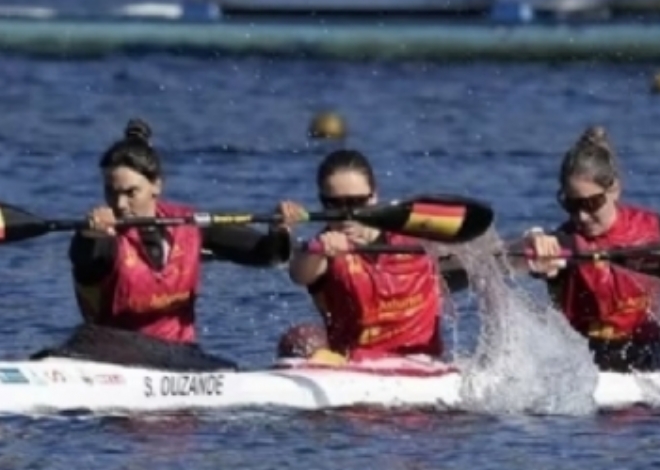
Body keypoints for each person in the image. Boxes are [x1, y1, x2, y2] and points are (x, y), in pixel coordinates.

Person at [60, 119, 291, 367]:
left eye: (130, 193)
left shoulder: (190, 224)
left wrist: (279, 231)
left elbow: (269, 255)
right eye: (111, 192)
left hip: (179, 358)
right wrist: (88, 236)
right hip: (111, 358)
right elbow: (84, 258)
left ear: (156, 186)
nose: (119, 204)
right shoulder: (105, 238)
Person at [522, 125, 660, 372]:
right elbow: (518, 253)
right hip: (588, 362)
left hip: (653, 354)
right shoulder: (566, 242)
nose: (582, 216)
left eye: (591, 203)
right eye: (571, 205)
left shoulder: (654, 227)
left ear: (614, 189)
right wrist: (534, 237)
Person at [281, 149, 447, 363]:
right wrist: (314, 247)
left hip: (423, 364)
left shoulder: (417, 238)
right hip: (357, 369)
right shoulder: (323, 250)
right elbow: (299, 274)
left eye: (356, 202)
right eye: (334, 204)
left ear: (374, 196)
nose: (346, 214)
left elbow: (474, 263)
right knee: (299, 339)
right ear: (322, 202)